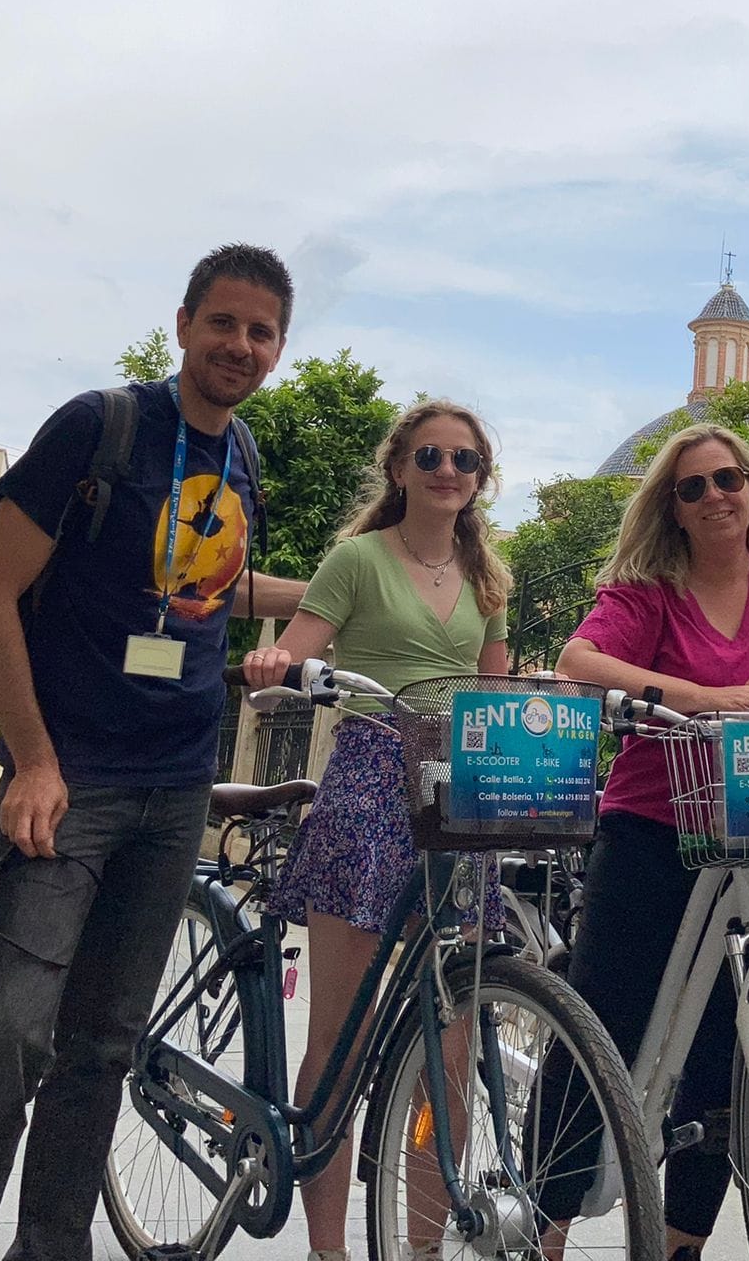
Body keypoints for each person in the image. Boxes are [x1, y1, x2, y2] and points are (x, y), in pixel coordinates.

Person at [0, 245, 308, 1261]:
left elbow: (198, 585)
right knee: (7, 1043)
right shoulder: (100, 426)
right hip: (67, 782)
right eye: (223, 323)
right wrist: (32, 760)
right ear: (182, 324)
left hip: (175, 790)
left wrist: (331, 599)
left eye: (260, 332)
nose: (239, 346)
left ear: (277, 349)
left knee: (98, 1052)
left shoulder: (243, 456)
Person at [541, 423, 749, 1257]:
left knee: (729, 1050)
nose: (714, 497)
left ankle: (680, 1242)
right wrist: (699, 694)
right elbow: (577, 660)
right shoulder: (649, 585)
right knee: (602, 1023)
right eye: (692, 488)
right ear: (674, 508)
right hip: (654, 825)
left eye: (727, 479)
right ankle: (543, 1227)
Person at [244, 399, 513, 1261]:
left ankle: (422, 1248)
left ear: (479, 481)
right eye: (430, 456)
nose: (447, 471)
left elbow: (496, 692)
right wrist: (275, 663)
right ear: (400, 468)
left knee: (455, 1042)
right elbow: (300, 648)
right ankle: (329, 1253)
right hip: (367, 777)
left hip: (458, 793)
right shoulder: (356, 559)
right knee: (340, 1035)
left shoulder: (487, 580)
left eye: (464, 460)